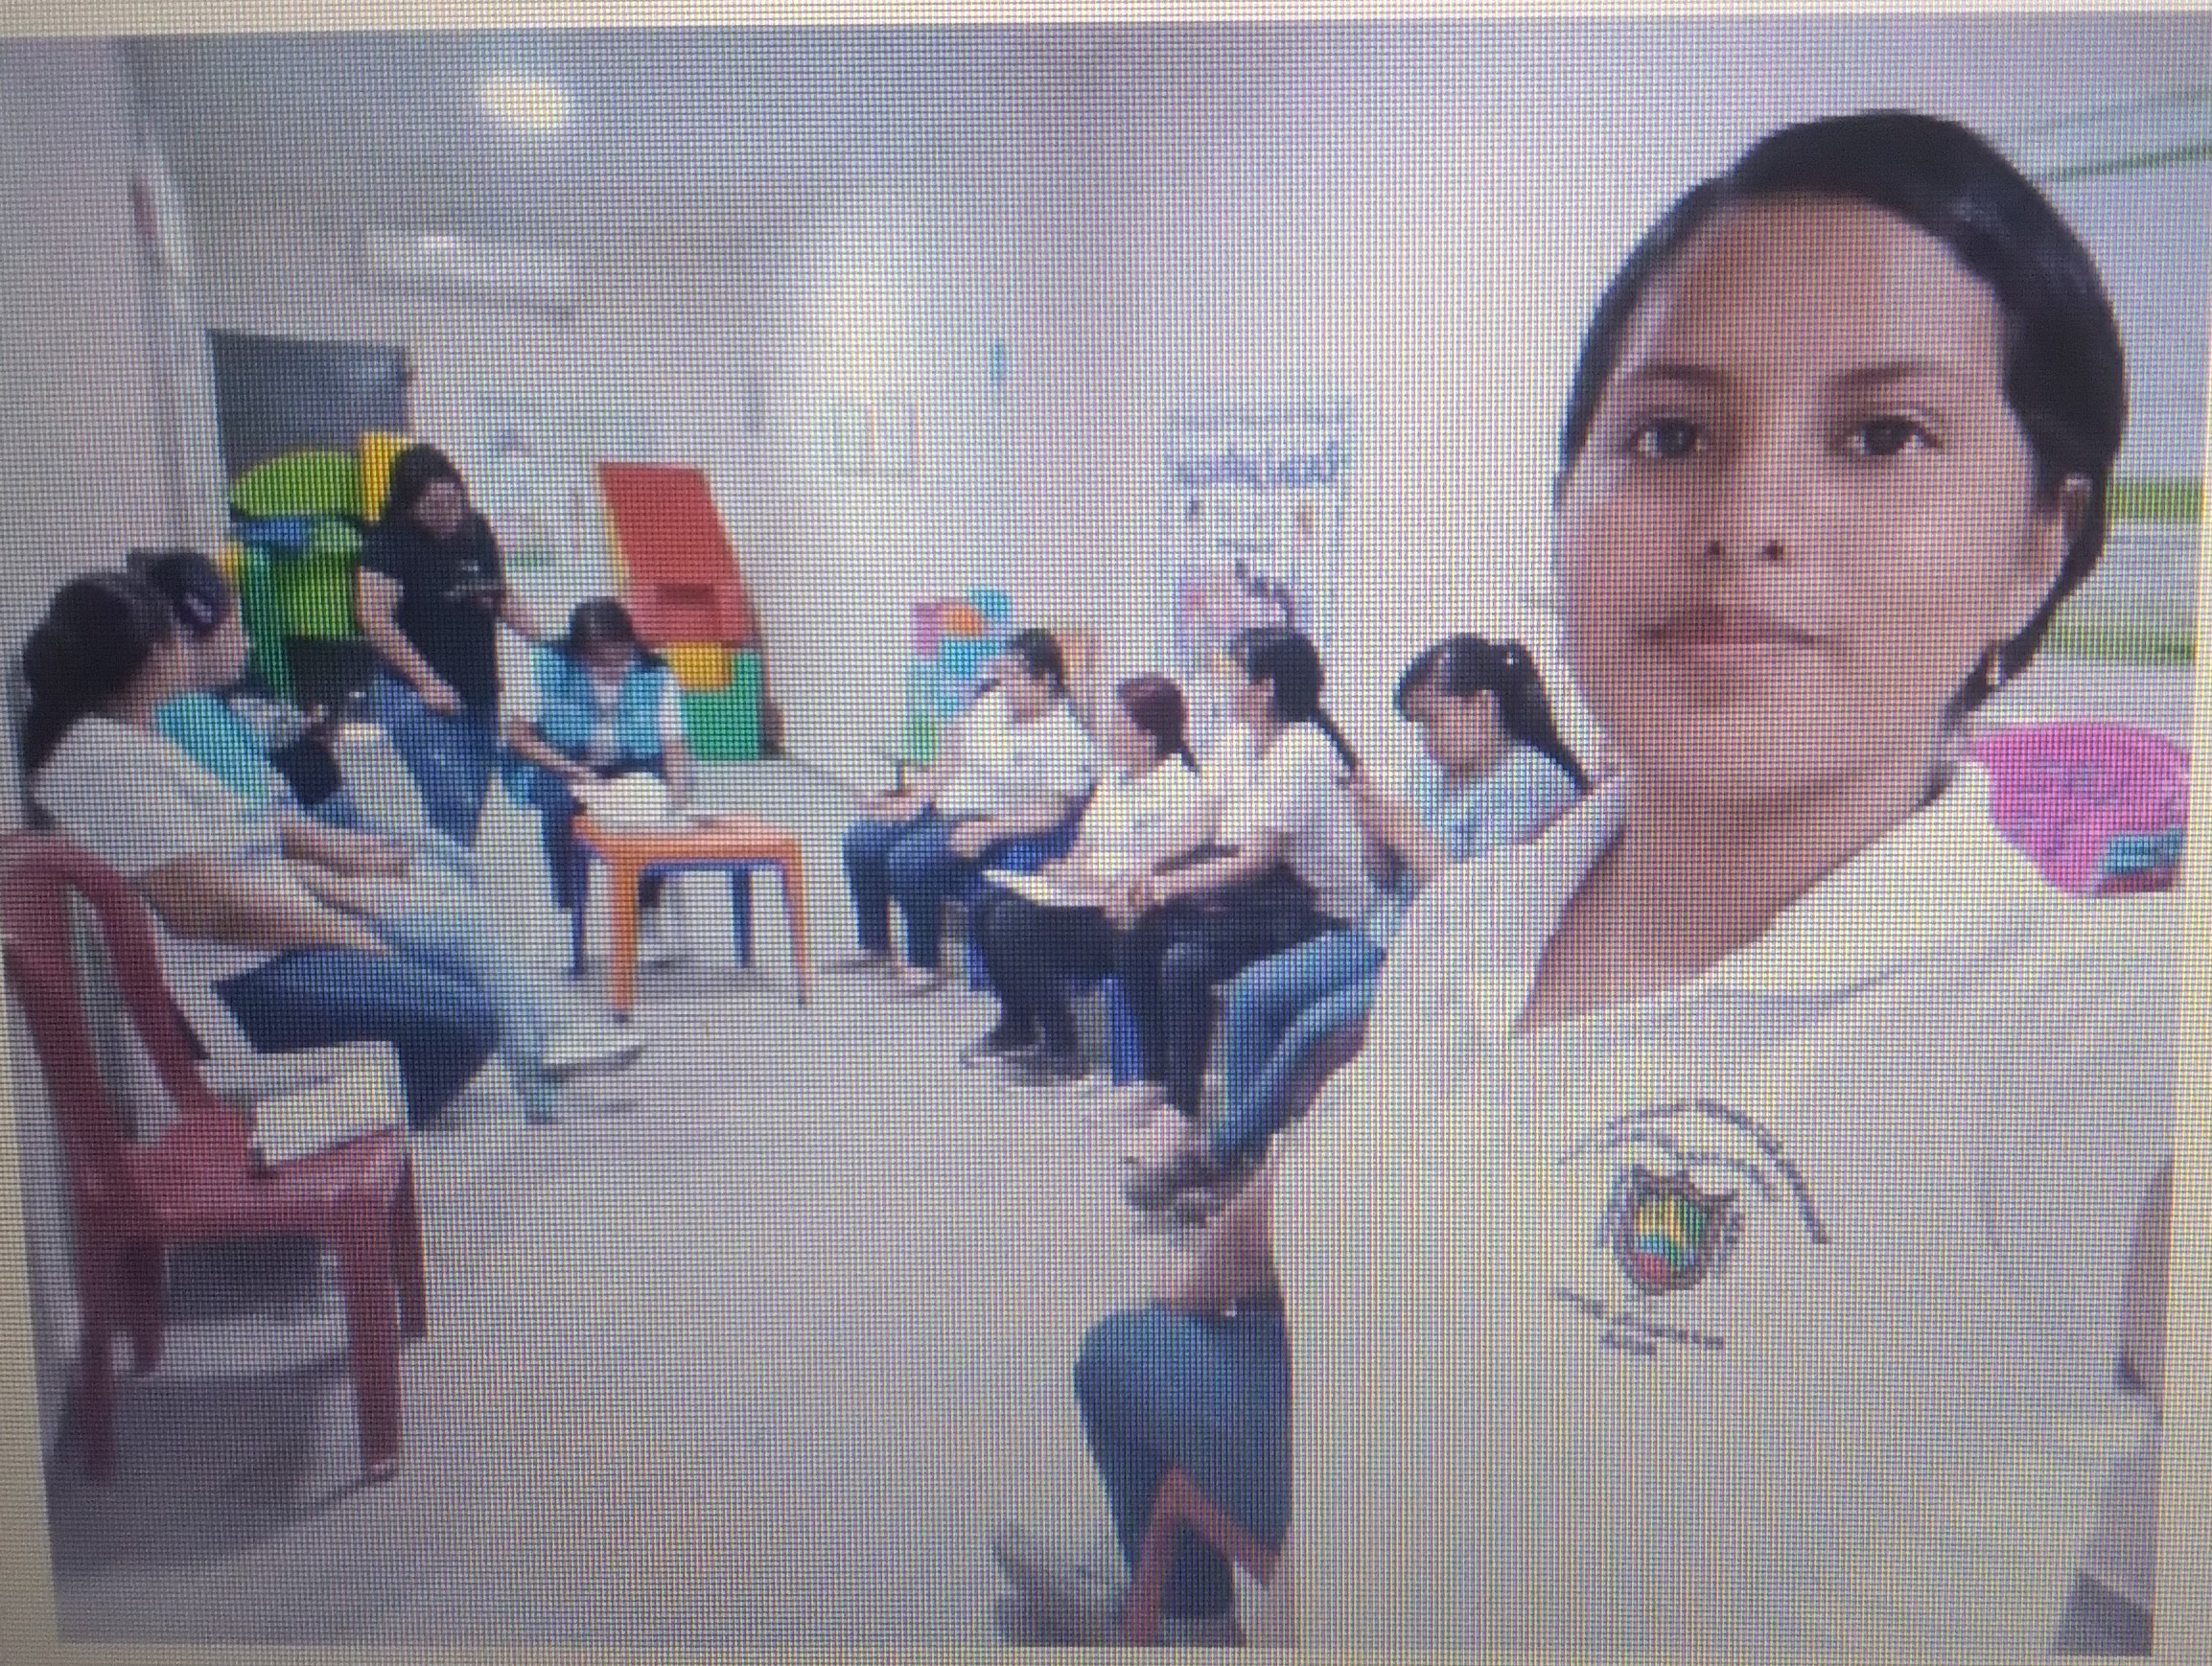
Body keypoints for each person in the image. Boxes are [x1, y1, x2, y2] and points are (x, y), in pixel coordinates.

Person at [992, 108, 2175, 1654]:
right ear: (1566, 507)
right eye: (1668, 436)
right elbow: (1380, 1158)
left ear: (2036, 546)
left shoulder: (2072, 1027)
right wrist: (1215, 1258)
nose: (1746, 522)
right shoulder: (1478, 920)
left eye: (1884, 434)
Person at [133, 552, 645, 1120]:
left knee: (456, 874)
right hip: (294, 902)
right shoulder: (175, 727)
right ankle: (542, 1058)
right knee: (463, 925)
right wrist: (351, 883)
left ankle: (546, 1037)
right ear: (193, 635)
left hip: (312, 866)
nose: (249, 640)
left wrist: (358, 852)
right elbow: (253, 856)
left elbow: (262, 831)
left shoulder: (203, 712)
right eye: (237, 625)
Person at [1123, 634, 1588, 1211]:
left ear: (1484, 707)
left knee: (1314, 1027)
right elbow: (1388, 882)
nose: (1425, 740)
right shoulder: (1430, 772)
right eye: (1418, 725)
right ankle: (1245, 1172)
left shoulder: (1536, 783)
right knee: (1253, 992)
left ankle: (1218, 1153)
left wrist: (1405, 834)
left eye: (1433, 721)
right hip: (1382, 933)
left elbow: (1485, 906)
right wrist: (1375, 837)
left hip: (1452, 958)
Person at [21, 571, 501, 1130]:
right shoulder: (102, 762)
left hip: (265, 951)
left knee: (466, 983)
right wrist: (339, 931)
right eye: (177, 637)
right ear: (155, 657)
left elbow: (241, 846)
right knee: (466, 1019)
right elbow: (205, 906)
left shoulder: (126, 737)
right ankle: (304, 1134)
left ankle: (346, 1122)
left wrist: (337, 889)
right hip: (239, 983)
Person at [1100, 625, 1377, 1147]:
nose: (1219, 684)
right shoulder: (1238, 739)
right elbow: (1200, 822)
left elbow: (1255, 860)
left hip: (1316, 915)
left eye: (1229, 674)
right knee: (1134, 933)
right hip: (1261, 902)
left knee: (1182, 958)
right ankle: (1155, 1080)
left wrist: (1165, 888)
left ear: (1265, 688)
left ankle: (1181, 1110)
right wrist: (1141, 868)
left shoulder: (1304, 750)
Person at [962, 674, 1207, 1086]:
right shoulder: (1114, 778)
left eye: (1118, 723)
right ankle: (1018, 1023)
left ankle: (1062, 1047)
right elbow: (1083, 843)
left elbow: (1161, 873)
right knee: (986, 904)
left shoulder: (1181, 789)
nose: (1108, 731)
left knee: (1010, 921)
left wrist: (1093, 886)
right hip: (1080, 902)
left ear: (1147, 737)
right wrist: (1065, 870)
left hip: (1128, 918)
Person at [838, 628, 1096, 995]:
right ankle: (874, 942)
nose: (1004, 685)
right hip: (943, 810)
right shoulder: (991, 706)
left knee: (909, 858)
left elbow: (1055, 812)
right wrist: (910, 801)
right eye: (1003, 675)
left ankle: (925, 962)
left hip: (992, 821)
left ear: (1045, 681)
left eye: (1013, 677)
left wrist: (990, 830)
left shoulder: (1067, 737)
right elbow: (949, 760)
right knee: (861, 839)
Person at [355, 442, 542, 844]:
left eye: (453, 501)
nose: (447, 513)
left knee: (469, 807)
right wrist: (427, 682)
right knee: (452, 802)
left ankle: (451, 877)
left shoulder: (475, 531)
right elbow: (373, 618)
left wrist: (543, 640)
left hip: (477, 693)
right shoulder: (389, 543)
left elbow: (495, 595)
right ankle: (448, 880)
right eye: (433, 505)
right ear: (409, 506)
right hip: (412, 693)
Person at [503, 598, 694, 960]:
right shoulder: (544, 665)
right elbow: (518, 736)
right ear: (577, 650)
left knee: (654, 813)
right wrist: (570, 769)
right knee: (560, 809)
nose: (608, 665)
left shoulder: (656, 673)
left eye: (617, 654)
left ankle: (646, 916)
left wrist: (677, 796)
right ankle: (567, 915)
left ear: (629, 640)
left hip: (631, 764)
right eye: (595, 657)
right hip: (562, 763)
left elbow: (673, 744)